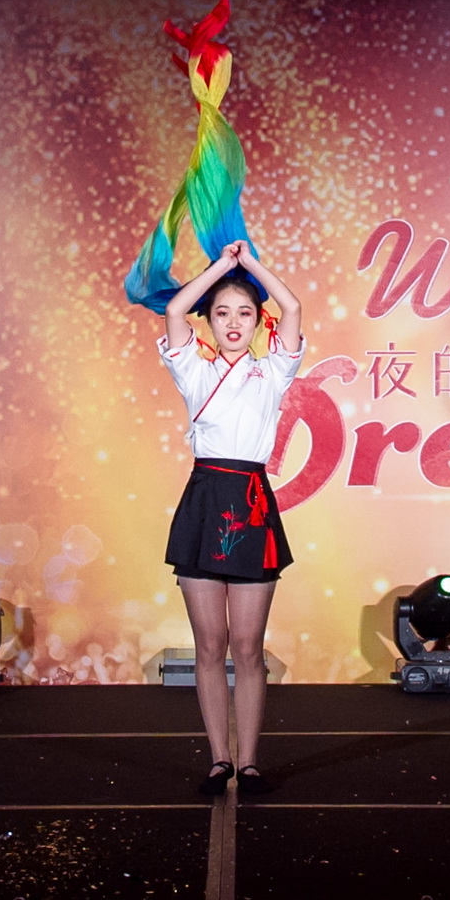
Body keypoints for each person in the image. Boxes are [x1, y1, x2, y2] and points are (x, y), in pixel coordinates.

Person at [159, 240, 303, 798]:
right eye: (222, 313)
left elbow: (292, 307)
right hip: (203, 503)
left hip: (251, 502)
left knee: (247, 646)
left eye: (245, 312)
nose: (234, 323)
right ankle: (219, 759)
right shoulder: (193, 370)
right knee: (209, 645)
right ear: (211, 322)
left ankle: (250, 762)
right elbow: (176, 309)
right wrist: (221, 266)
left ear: (259, 321)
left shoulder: (274, 371)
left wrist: (250, 266)